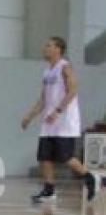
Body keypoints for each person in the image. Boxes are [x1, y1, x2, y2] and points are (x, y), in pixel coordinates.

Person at [21, 36, 97, 204]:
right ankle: (49, 191)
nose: (45, 48)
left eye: (48, 46)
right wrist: (29, 116)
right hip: (49, 123)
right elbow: (43, 99)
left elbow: (73, 90)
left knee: (65, 157)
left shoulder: (65, 67)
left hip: (65, 122)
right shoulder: (47, 72)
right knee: (44, 157)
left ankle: (89, 177)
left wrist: (58, 111)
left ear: (58, 49)